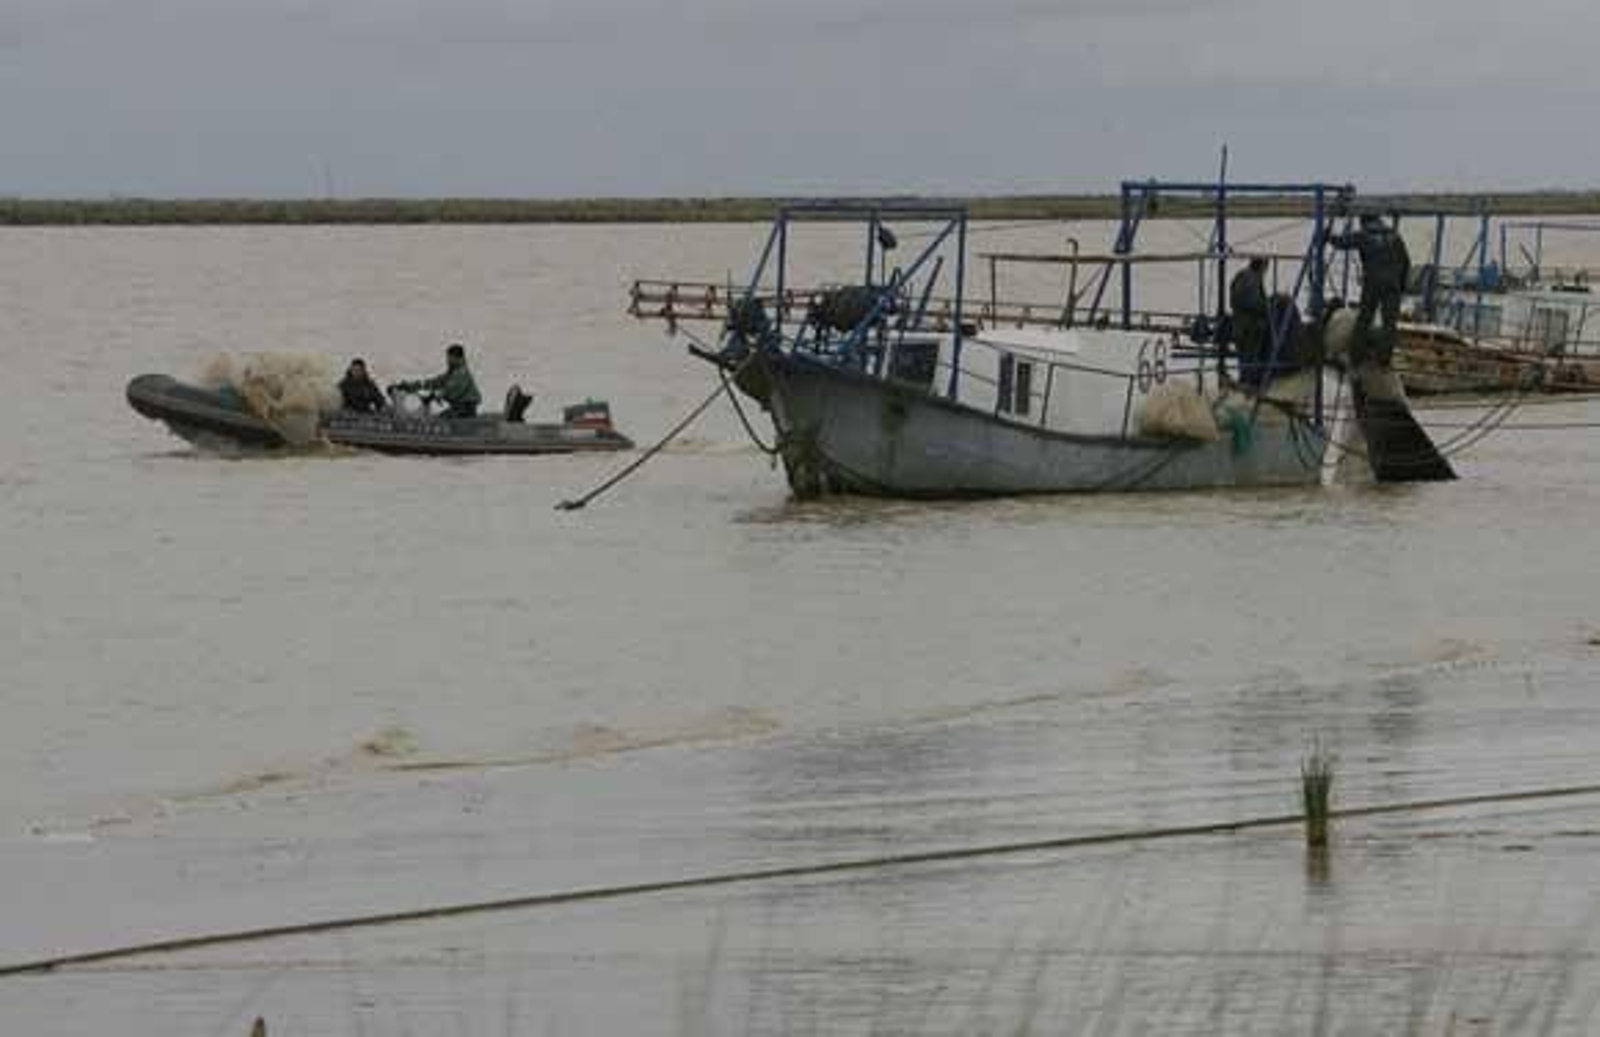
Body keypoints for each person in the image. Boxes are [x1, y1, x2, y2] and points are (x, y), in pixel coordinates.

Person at [1329, 213, 1411, 366]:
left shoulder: (1364, 234)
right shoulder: (1394, 235)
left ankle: (1357, 356)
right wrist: (1402, 286)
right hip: (1392, 285)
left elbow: (1343, 243)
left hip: (1373, 283)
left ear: (1363, 222)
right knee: (1389, 323)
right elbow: (1406, 261)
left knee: (1364, 319)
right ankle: (1383, 359)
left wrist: (1328, 236)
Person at [394, 343, 482, 418]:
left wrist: (435, 395)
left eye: (450, 358)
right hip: (458, 409)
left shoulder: (462, 373)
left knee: (440, 420)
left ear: (459, 358)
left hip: (465, 409)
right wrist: (411, 386)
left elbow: (451, 389)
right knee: (439, 417)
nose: (448, 361)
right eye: (448, 358)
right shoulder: (451, 373)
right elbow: (435, 382)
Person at [1228, 256, 1270, 382]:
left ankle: (1245, 381)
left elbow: (1235, 301)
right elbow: (1252, 302)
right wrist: (1266, 307)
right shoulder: (1252, 279)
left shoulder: (1241, 276)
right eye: (1266, 268)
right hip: (1250, 328)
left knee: (1244, 360)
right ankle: (1249, 383)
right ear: (1261, 266)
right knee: (1250, 358)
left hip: (1240, 327)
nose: (1266, 271)